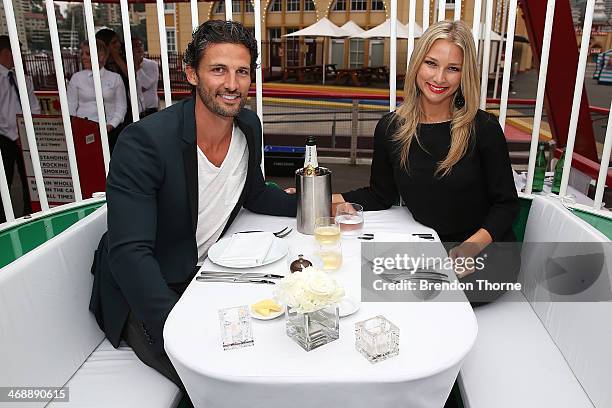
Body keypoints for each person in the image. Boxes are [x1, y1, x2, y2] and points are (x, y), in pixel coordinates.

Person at [89, 20, 296, 392]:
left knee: (284, 344)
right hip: (151, 293)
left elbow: (255, 192)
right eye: (218, 69)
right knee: (224, 382)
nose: (232, 84)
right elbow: (129, 254)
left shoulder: (248, 125)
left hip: (209, 278)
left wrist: (314, 203)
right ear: (192, 74)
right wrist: (180, 329)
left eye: (242, 71)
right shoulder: (145, 142)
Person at [334, 20, 520, 304]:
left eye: (453, 68)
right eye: (431, 63)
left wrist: (472, 247)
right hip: (428, 248)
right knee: (359, 281)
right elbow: (380, 194)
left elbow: (506, 204)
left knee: (421, 297)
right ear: (417, 64)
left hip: (485, 253)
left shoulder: (483, 129)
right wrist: (321, 195)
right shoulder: (390, 128)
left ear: (464, 74)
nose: (440, 78)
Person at [0, 35, 40, 223]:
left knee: (29, 178)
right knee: (4, 179)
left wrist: (27, 130)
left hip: (24, 135)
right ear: (6, 53)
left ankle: (29, 214)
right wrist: (14, 134)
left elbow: (34, 106)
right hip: (4, 137)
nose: (21, 57)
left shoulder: (23, 79)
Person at [67, 40, 127, 151]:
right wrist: (78, 127)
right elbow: (71, 106)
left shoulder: (115, 78)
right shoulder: (76, 78)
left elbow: (121, 107)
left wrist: (110, 125)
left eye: (88, 54)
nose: (83, 57)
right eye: (82, 54)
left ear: (101, 56)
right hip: (84, 132)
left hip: (111, 131)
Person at [132, 37, 159, 117]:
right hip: (135, 109)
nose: (139, 48)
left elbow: (146, 85)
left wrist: (137, 67)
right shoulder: (126, 66)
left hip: (150, 108)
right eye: (135, 46)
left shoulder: (152, 64)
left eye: (140, 45)